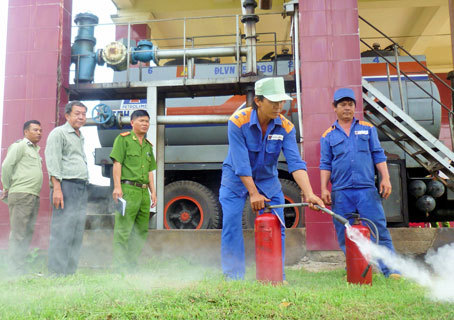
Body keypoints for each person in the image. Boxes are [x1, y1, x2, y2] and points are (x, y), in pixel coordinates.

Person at [220, 77, 324, 280]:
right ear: (258, 101)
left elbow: (295, 163)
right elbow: (241, 163)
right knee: (232, 224)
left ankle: (275, 276)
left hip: (268, 180)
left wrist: (310, 193)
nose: (279, 106)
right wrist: (253, 193)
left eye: (281, 102)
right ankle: (233, 277)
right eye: (274, 102)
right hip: (235, 179)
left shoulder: (286, 127)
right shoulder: (237, 122)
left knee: (277, 224)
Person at [319, 88, 400, 278]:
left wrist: (385, 178)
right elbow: (325, 163)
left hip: (366, 190)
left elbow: (378, 155)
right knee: (345, 232)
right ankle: (356, 268)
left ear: (355, 106)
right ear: (335, 107)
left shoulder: (368, 128)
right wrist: (324, 188)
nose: (347, 108)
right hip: (341, 191)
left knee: (378, 229)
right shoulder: (327, 136)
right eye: (342, 105)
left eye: (350, 104)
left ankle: (391, 271)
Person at [45, 101, 89, 276]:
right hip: (65, 187)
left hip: (80, 187)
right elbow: (53, 161)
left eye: (84, 114)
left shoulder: (80, 135)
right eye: (77, 113)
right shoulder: (59, 133)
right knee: (62, 230)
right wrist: (57, 188)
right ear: (67, 115)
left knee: (76, 231)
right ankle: (56, 273)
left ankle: (69, 272)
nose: (81, 117)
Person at [110, 109, 157, 271]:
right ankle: (120, 268)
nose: (145, 124)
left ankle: (131, 265)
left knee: (141, 231)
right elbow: (117, 164)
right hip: (128, 190)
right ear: (132, 123)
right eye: (141, 121)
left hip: (144, 193)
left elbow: (150, 171)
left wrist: (153, 192)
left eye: (147, 121)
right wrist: (117, 187)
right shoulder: (123, 140)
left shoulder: (148, 145)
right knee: (123, 230)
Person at [1, 120, 43, 274]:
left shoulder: (35, 150)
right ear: (26, 132)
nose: (39, 133)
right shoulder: (19, 146)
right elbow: (6, 166)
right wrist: (6, 186)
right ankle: (14, 271)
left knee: (26, 233)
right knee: (19, 233)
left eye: (40, 130)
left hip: (33, 195)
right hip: (21, 194)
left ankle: (20, 268)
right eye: (35, 130)